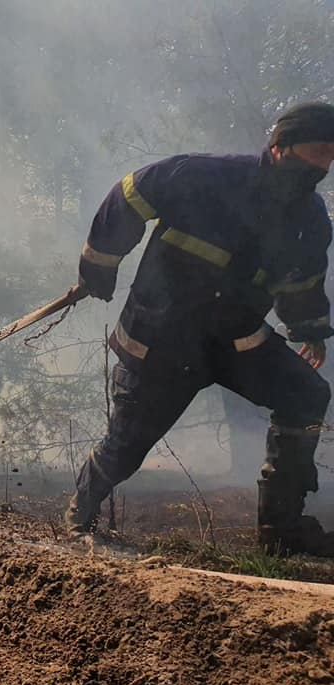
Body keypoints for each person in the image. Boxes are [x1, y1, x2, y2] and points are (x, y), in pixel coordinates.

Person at [67, 101, 334, 556]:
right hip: (163, 338)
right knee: (127, 445)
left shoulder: (310, 220)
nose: (324, 163)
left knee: (306, 394)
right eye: (318, 149)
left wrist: (309, 328)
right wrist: (99, 267)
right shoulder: (204, 176)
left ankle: (281, 531)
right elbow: (128, 196)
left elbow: (303, 281)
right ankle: (81, 512)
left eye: (332, 154)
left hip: (236, 339)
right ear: (280, 145)